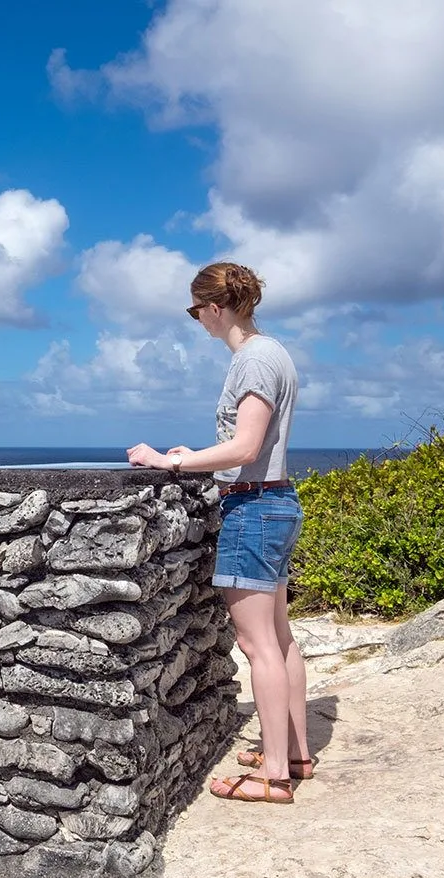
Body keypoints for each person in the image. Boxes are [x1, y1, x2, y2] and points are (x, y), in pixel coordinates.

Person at [126, 261, 308, 804]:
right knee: (279, 638)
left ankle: (275, 776)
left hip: (253, 509)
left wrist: (170, 463)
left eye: (194, 310)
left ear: (215, 306)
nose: (196, 321)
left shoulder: (251, 362)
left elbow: (245, 447)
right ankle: (294, 752)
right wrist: (197, 456)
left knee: (258, 647)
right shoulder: (273, 352)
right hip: (275, 502)